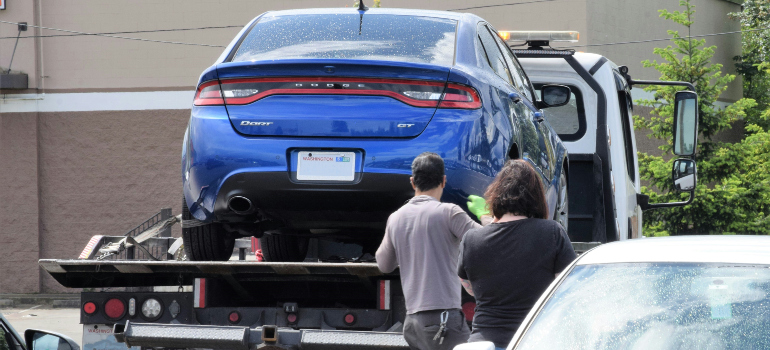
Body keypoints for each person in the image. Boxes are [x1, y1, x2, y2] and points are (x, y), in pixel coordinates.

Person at [376, 152, 492, 350]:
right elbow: (490, 242)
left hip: (412, 322)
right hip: (443, 319)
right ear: (444, 181)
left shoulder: (396, 218)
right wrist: (485, 215)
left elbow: (384, 265)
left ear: (412, 182)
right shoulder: (449, 213)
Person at [457, 159, 576, 349]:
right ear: (536, 197)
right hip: (535, 341)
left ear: (496, 196)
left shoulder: (471, 239)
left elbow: (469, 287)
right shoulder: (551, 233)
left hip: (483, 343)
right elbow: (566, 288)